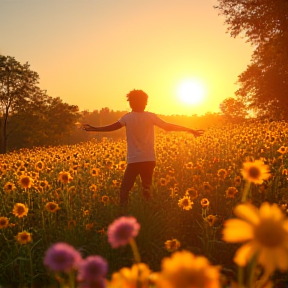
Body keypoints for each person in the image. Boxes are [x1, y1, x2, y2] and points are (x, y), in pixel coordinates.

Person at [81, 89, 204, 206]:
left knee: (124, 190)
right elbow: (167, 126)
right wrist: (190, 129)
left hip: (134, 160)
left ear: (130, 102)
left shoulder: (127, 117)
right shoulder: (150, 116)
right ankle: (148, 211)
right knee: (147, 190)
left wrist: (95, 128)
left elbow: (112, 127)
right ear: (145, 102)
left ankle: (123, 212)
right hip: (149, 159)